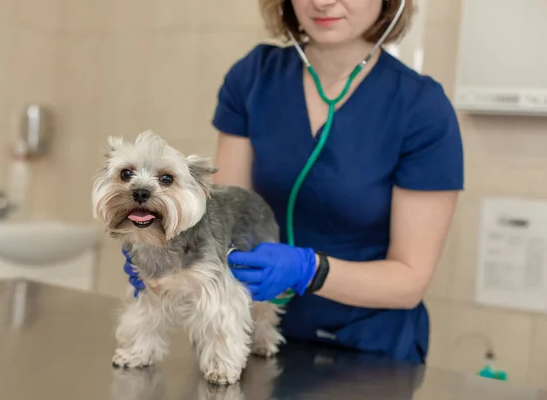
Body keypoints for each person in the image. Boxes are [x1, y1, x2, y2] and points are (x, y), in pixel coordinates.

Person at [124, 0, 463, 364]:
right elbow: (227, 215)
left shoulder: (421, 107)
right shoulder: (254, 77)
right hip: (249, 335)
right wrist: (169, 245)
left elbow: (409, 282)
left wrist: (308, 269)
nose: (322, 2)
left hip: (366, 351)